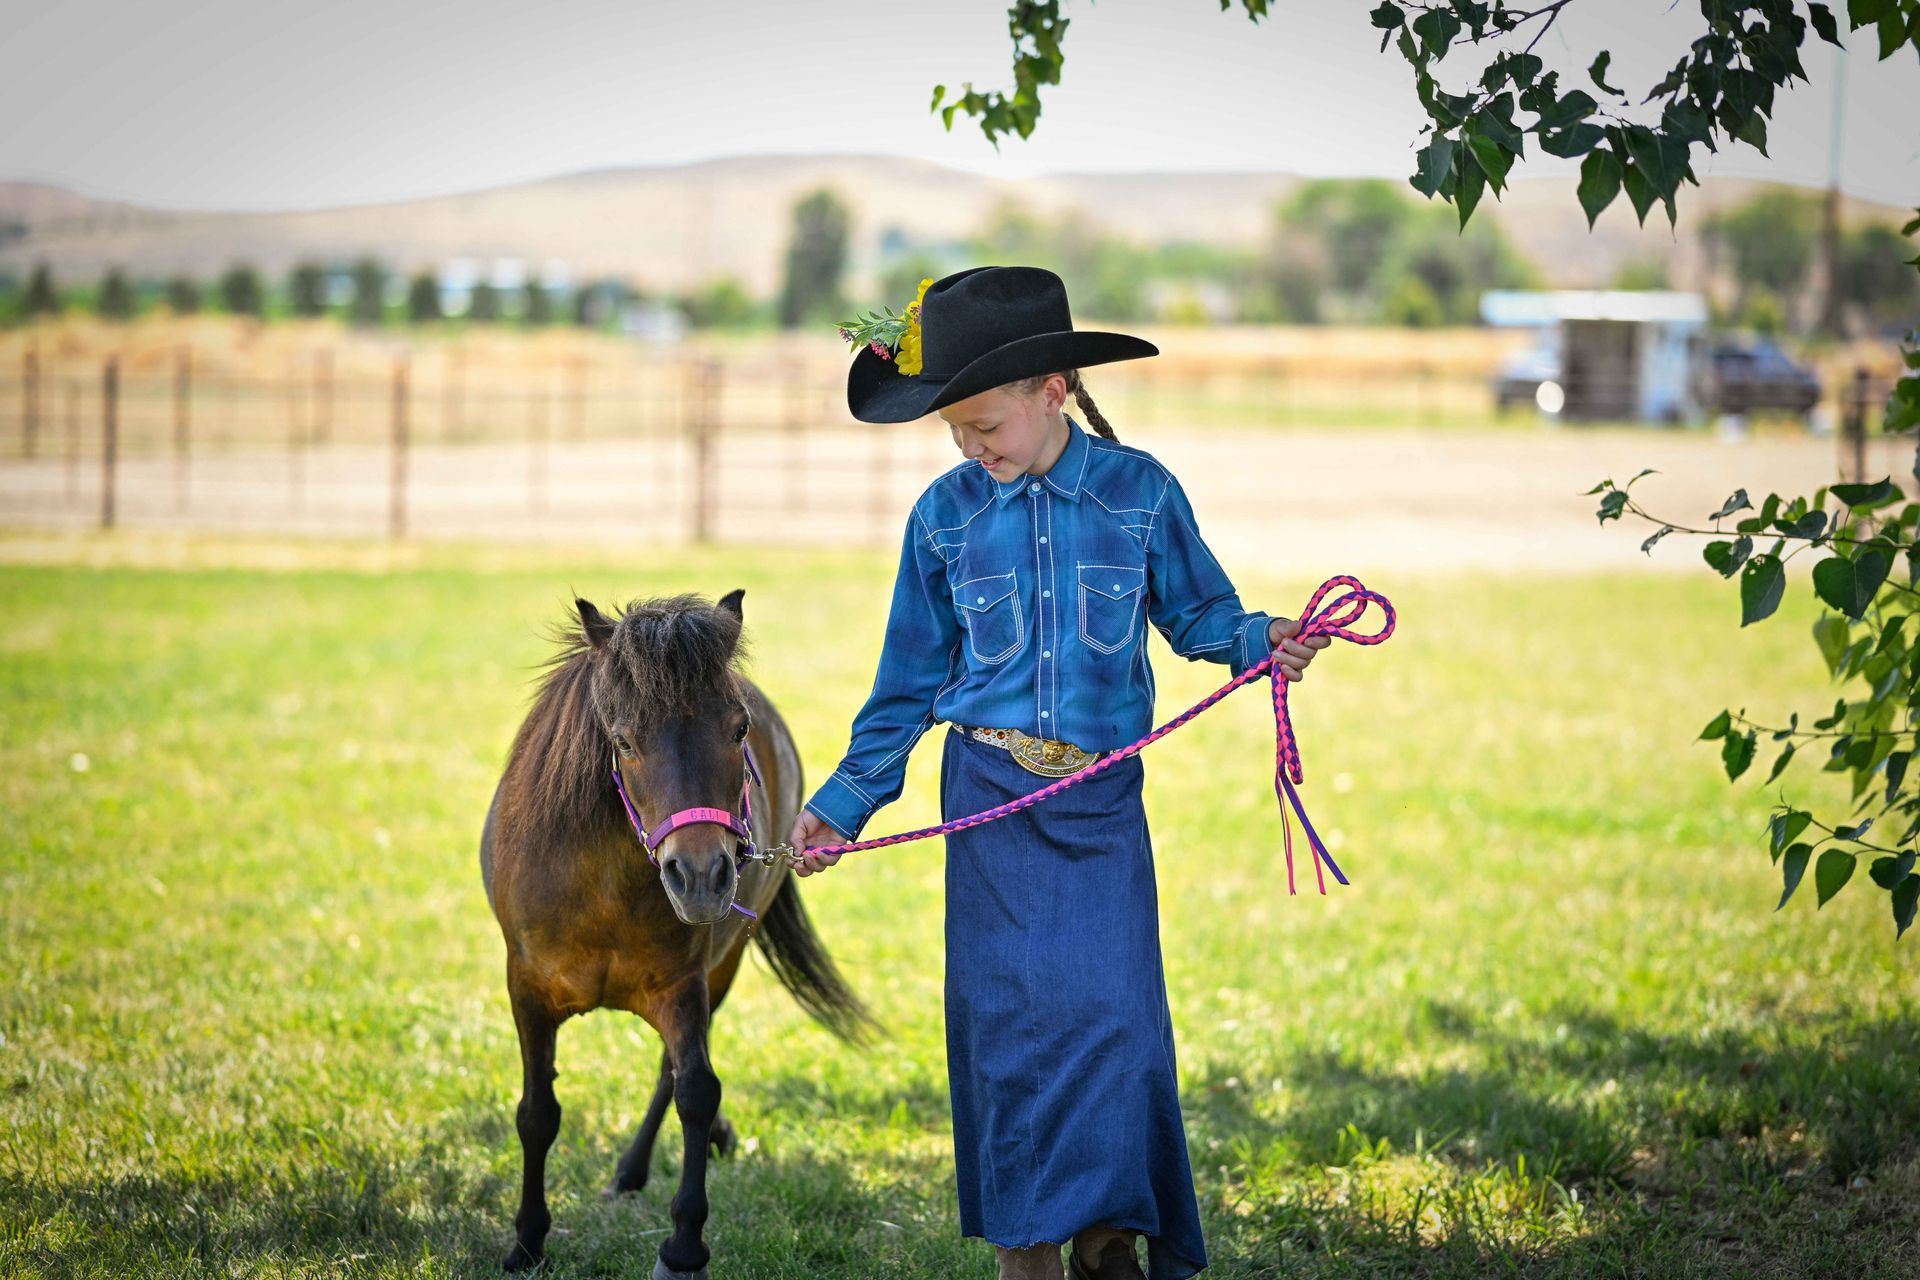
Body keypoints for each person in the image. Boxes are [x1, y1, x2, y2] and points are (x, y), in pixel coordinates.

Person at [786, 266, 1328, 1280]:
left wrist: (1262, 639)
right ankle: (1027, 1256)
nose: (969, 447)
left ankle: (1109, 1234)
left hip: (1100, 804)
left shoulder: (1140, 492)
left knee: (1116, 1020)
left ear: (1053, 390)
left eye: (983, 424)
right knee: (1010, 1037)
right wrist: (841, 806)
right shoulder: (942, 519)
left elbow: (1201, 613)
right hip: (989, 803)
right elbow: (906, 685)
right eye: (953, 432)